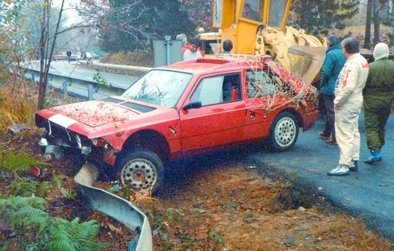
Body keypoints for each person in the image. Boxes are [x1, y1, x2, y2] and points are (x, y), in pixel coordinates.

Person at [327, 37, 369, 176]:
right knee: (353, 131)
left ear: (345, 49)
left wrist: (337, 102)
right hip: (356, 100)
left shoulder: (352, 64)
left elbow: (348, 86)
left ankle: (343, 164)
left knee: (344, 133)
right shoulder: (362, 60)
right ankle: (353, 160)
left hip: (347, 102)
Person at [362, 43, 394, 164]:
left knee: (371, 127)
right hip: (387, 100)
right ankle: (379, 147)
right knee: (381, 126)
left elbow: (363, 85)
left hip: (371, 100)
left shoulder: (370, 67)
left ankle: (375, 152)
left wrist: (364, 95)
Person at [319, 35, 346, 145]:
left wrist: (322, 84)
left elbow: (325, 72)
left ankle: (334, 138)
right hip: (341, 87)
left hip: (330, 88)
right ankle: (326, 133)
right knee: (336, 111)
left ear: (329, 44)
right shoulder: (344, 53)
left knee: (331, 112)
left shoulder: (331, 54)